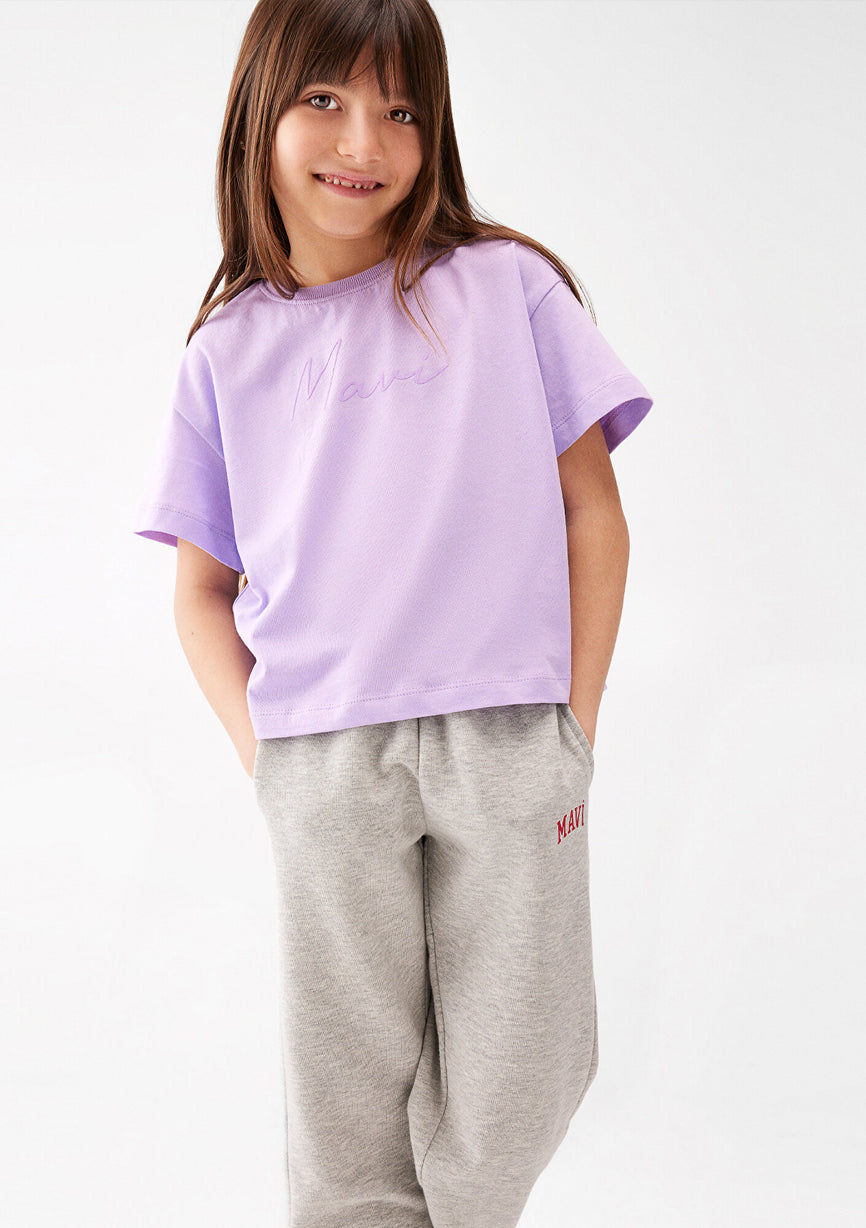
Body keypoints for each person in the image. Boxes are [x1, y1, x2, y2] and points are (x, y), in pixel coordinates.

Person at [132, 1, 653, 1224]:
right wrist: (268, 757)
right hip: (322, 756)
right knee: (345, 1091)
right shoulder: (226, 353)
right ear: (259, 112)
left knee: (525, 1069)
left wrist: (572, 724)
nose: (363, 138)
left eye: (400, 108)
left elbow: (593, 514)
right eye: (324, 99)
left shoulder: (506, 288)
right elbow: (199, 591)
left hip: (509, 738)